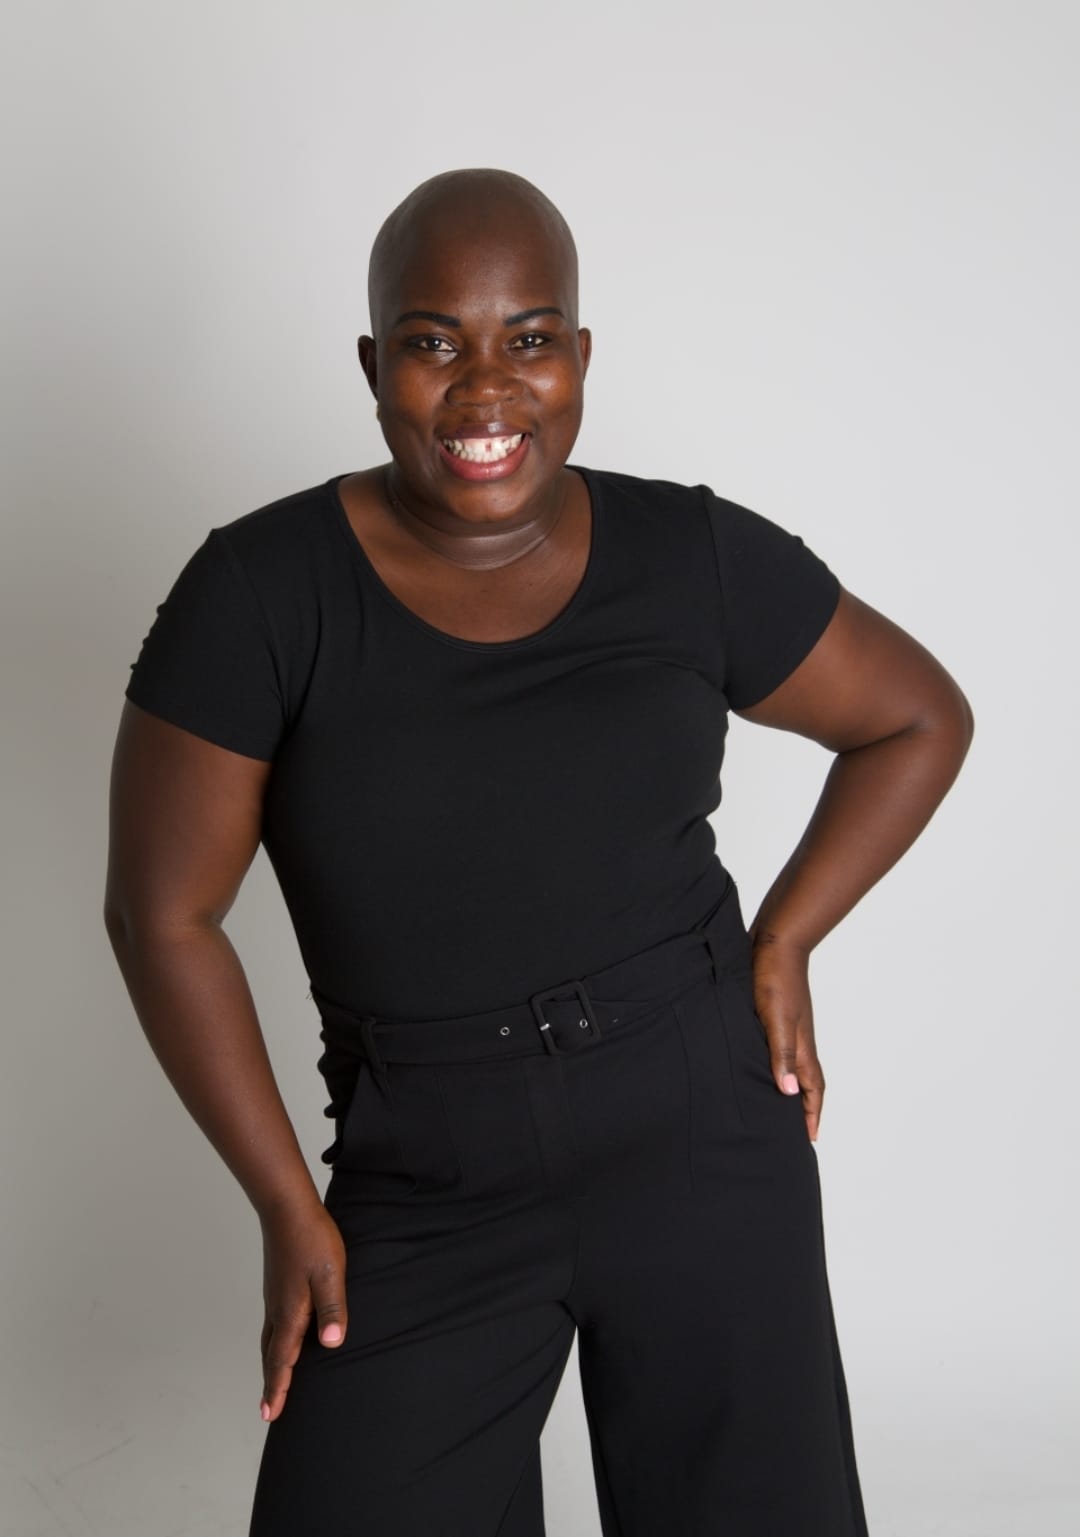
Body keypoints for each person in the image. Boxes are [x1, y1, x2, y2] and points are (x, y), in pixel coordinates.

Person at [104, 167, 974, 1537]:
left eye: (530, 338)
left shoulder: (689, 553)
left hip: (699, 1123)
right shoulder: (261, 594)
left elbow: (918, 717)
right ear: (373, 365)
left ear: (580, 357)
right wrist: (284, 1202)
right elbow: (163, 915)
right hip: (427, 1167)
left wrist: (789, 934)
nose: (486, 387)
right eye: (432, 340)